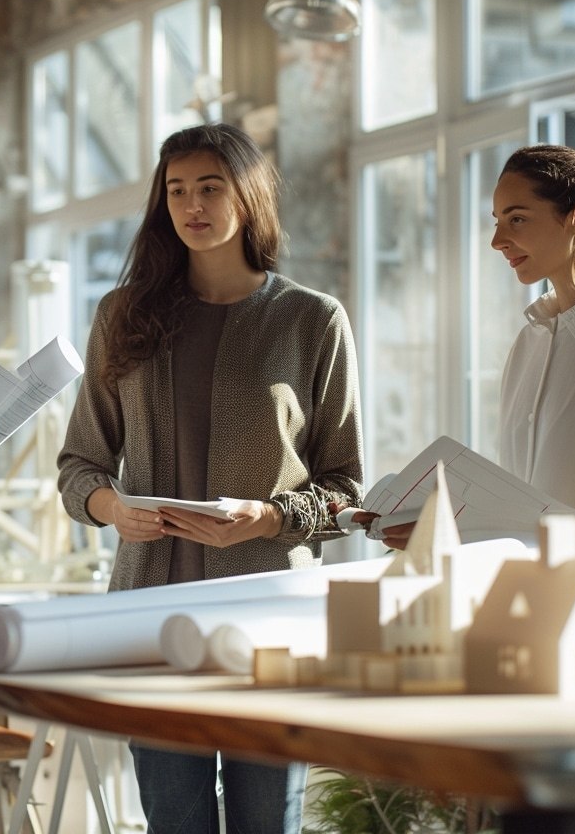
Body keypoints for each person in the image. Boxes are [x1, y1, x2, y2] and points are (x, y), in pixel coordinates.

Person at [57, 122, 364, 834]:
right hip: (150, 618)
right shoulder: (123, 315)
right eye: (176, 191)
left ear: (248, 195)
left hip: (270, 618)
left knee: (267, 819)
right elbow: (80, 464)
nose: (192, 205)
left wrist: (270, 518)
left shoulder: (312, 320)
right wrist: (110, 508)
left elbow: (346, 487)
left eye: (210, 187)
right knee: (173, 818)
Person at [377, 145, 575, 572]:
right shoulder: (530, 343)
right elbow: (519, 509)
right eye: (498, 221)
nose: (497, 240)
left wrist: (462, 534)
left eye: (517, 219)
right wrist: (443, 530)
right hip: (518, 597)